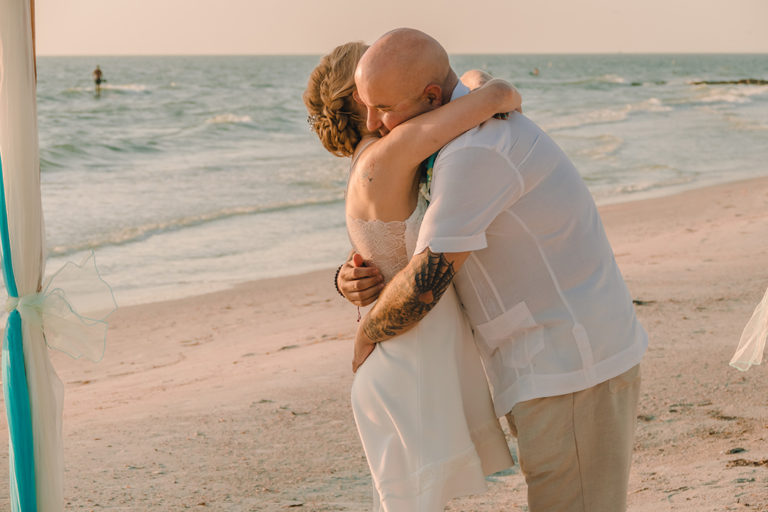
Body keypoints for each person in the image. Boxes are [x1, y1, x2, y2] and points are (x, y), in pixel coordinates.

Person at [339, 28, 648, 512]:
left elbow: (426, 283)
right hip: (546, 359)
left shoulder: (474, 152)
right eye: (366, 105)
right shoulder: (455, 127)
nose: (375, 122)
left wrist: (366, 337)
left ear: (432, 97)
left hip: (570, 368)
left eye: (384, 107)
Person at [304, 41, 522, 510]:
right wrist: (480, 80)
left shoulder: (382, 155)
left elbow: (382, 244)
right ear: (365, 100)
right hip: (408, 356)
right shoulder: (393, 151)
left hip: (412, 350)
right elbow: (498, 96)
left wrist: (347, 275)